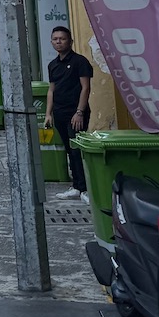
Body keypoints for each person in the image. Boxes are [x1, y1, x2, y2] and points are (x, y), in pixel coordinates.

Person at [44, 26, 94, 202]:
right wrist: (48, 114)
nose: (58, 41)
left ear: (70, 41)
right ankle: (77, 186)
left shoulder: (80, 62)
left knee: (77, 151)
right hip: (60, 113)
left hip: (76, 114)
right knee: (68, 150)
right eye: (55, 39)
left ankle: (86, 189)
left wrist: (79, 112)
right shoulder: (53, 65)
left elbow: (85, 87)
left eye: (62, 39)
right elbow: (51, 90)